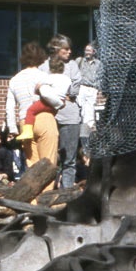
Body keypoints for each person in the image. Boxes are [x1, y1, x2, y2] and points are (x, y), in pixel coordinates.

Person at [6, 42, 55, 171]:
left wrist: (12, 128)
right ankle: (48, 191)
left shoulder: (14, 80)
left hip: (25, 123)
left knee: (33, 166)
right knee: (48, 163)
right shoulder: (44, 76)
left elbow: (9, 107)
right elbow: (51, 98)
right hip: (44, 118)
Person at [43, 34, 83, 190]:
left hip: (71, 117)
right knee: (49, 158)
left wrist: (56, 92)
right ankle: (46, 191)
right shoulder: (43, 66)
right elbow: (41, 88)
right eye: (66, 49)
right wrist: (60, 94)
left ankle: (65, 194)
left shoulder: (73, 65)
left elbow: (75, 89)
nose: (69, 52)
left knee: (69, 159)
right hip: (49, 116)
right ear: (56, 49)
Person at [75, 42, 101, 148]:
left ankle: (86, 137)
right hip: (81, 88)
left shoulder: (98, 63)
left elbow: (100, 77)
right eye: (86, 50)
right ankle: (79, 130)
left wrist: (98, 88)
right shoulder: (79, 61)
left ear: (94, 52)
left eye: (89, 50)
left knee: (89, 114)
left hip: (92, 89)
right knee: (79, 110)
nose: (87, 52)